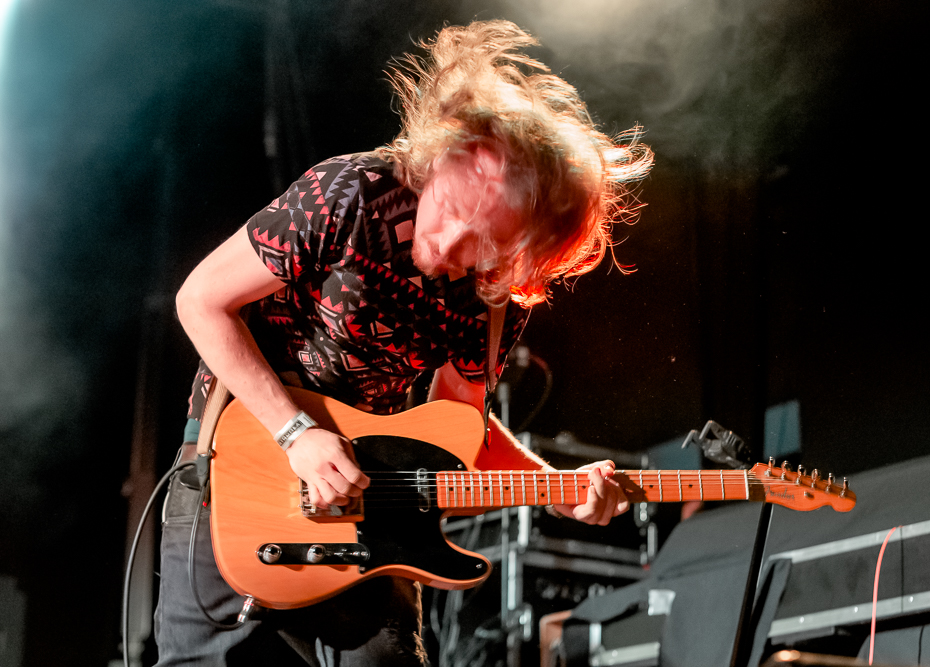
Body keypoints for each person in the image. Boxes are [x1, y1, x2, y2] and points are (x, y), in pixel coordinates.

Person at [157, 19, 653, 666]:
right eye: (450, 210)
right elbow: (200, 300)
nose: (447, 247)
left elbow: (461, 428)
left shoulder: (493, 300)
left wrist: (558, 487)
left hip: (372, 500)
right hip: (239, 469)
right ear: (442, 158)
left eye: (483, 244)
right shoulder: (349, 195)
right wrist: (294, 433)